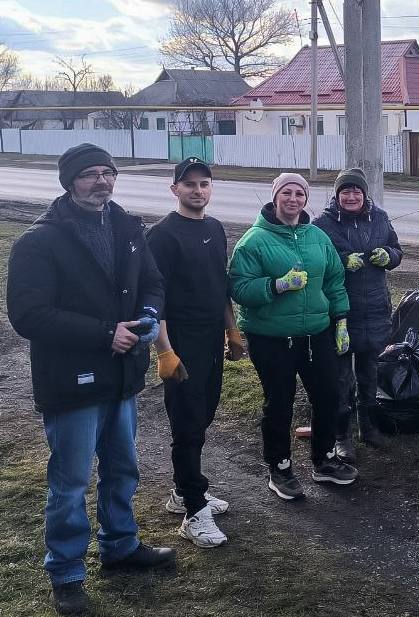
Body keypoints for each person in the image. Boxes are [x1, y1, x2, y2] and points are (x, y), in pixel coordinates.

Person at [6, 143, 175, 615]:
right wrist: (105, 334)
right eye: (89, 174)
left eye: (108, 172)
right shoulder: (40, 241)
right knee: (71, 481)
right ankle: (66, 572)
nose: (102, 181)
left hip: (122, 377)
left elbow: (153, 283)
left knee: (123, 469)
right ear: (69, 181)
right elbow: (28, 314)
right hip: (71, 382)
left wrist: (147, 315)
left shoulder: (128, 227)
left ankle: (120, 545)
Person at [229, 172, 354, 501]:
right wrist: (277, 285)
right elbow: (239, 288)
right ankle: (279, 468)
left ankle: (324, 460)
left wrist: (341, 320)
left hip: (316, 334)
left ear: (305, 199)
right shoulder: (253, 241)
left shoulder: (318, 237)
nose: (293, 199)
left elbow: (334, 280)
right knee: (279, 403)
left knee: (328, 396)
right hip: (271, 338)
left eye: (299, 193)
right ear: (275, 197)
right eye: (286, 193)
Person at [146, 157, 245, 548]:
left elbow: (219, 287)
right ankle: (194, 512)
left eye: (204, 183)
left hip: (210, 340)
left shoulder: (215, 228)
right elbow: (155, 298)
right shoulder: (162, 236)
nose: (197, 190)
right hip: (180, 341)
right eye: (189, 184)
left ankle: (181, 491)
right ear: (175, 189)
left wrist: (231, 330)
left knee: (203, 415)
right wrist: (164, 351)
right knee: (187, 426)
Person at [315, 168, 403, 462]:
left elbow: (397, 250)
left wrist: (388, 256)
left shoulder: (380, 218)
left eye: (356, 191)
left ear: (364, 194)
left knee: (370, 373)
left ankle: (368, 426)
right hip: (340, 313)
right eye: (345, 191)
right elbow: (315, 262)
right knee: (341, 378)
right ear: (337, 195)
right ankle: (342, 435)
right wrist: (341, 261)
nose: (351, 196)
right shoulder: (323, 224)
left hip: (375, 309)